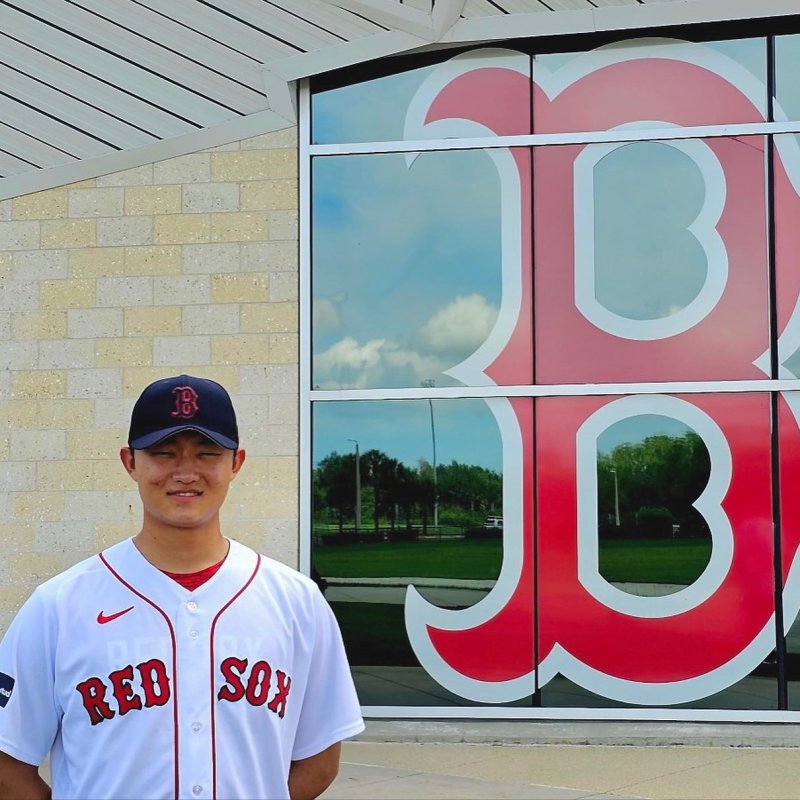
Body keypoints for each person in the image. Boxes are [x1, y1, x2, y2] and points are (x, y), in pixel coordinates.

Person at [0, 374, 364, 800]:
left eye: (208, 453)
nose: (186, 472)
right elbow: (7, 762)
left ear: (237, 463)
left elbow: (320, 760)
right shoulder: (58, 606)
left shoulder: (297, 601)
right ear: (130, 462)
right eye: (163, 453)